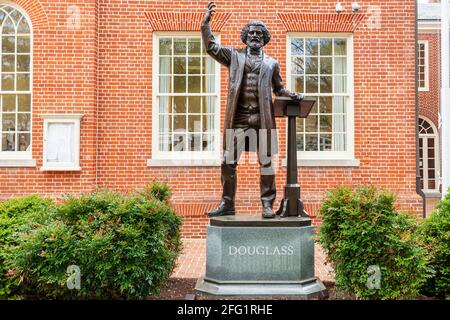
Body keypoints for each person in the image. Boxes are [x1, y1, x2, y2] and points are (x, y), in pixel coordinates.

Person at [202, 2, 303, 219]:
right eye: (251, 32)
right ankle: (227, 203)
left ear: (264, 38)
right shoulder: (234, 57)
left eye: (259, 33)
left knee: (266, 163)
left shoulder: (271, 64)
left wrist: (292, 94)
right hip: (237, 119)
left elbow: (279, 89)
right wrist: (206, 24)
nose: (254, 35)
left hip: (262, 119)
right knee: (228, 161)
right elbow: (212, 48)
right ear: (245, 36)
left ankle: (267, 204)